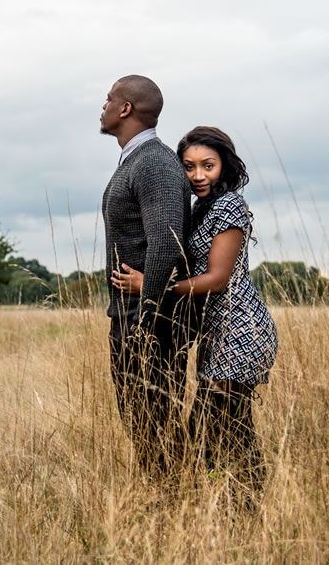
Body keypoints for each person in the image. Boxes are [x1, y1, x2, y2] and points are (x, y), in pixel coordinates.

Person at [110, 126, 278, 493]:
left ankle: (245, 503)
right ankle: (243, 504)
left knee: (209, 428)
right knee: (230, 427)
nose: (198, 176)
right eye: (188, 167)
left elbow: (217, 279)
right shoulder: (201, 208)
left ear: (225, 166)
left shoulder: (229, 204)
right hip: (216, 333)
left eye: (208, 165)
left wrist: (149, 286)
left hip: (240, 329)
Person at [99, 75, 192, 473]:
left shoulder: (153, 161)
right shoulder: (138, 161)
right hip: (133, 317)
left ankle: (175, 512)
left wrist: (145, 320)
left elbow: (167, 244)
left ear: (125, 109)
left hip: (148, 323)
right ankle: (167, 511)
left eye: (108, 99)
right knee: (143, 424)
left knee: (154, 426)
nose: (101, 107)